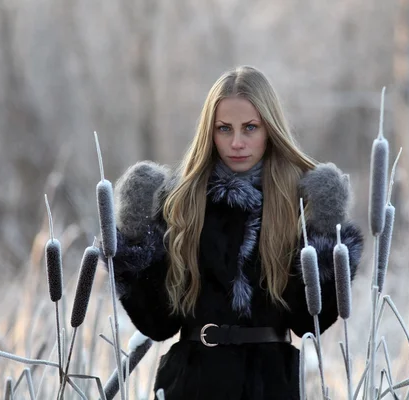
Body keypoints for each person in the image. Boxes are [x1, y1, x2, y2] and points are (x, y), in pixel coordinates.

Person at [110, 65, 364, 399]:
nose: (237, 142)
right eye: (224, 129)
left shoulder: (295, 202)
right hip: (191, 384)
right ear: (209, 132)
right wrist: (134, 233)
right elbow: (156, 323)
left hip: (272, 386)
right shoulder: (181, 203)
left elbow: (311, 321)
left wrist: (326, 231)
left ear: (269, 129)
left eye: (250, 128)